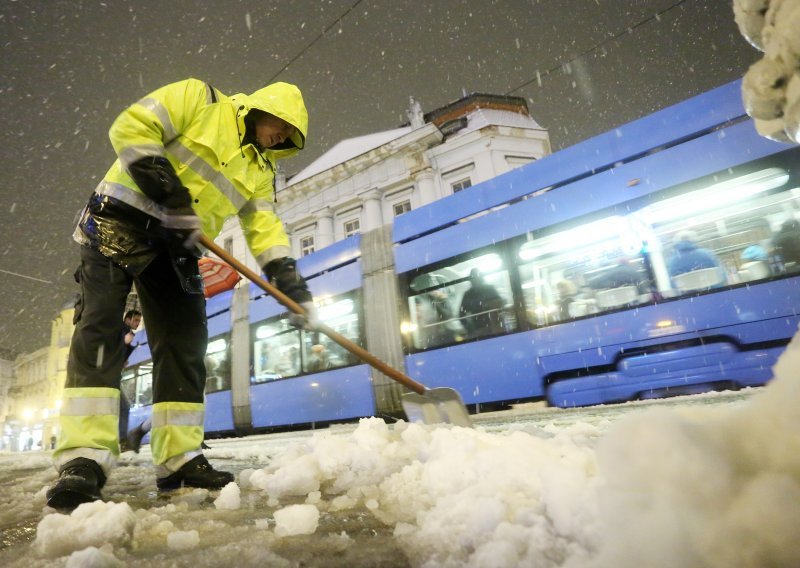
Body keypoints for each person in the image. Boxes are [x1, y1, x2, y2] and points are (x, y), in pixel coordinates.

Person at [47, 78, 314, 511]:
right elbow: (131, 128)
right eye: (282, 126)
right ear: (262, 109)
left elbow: (263, 226)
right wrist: (171, 194)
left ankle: (179, 459)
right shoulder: (200, 98)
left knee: (186, 344)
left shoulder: (261, 171)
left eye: (289, 136)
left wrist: (287, 276)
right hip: (121, 219)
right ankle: (84, 459)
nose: (282, 137)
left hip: (177, 244)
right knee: (101, 329)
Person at [117, 309, 142, 450]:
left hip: (113, 374)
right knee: (124, 406)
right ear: (128, 319)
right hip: (111, 375)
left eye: (139, 321)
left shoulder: (126, 332)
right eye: (136, 320)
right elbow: (114, 349)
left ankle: (122, 439)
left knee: (122, 407)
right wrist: (124, 344)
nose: (138, 324)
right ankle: (122, 440)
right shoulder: (123, 331)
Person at [458, 268, 504, 339]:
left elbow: (500, 303)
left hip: (487, 328)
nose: (476, 280)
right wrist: (470, 330)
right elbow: (461, 315)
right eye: (474, 278)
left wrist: (470, 329)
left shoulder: (468, 294)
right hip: (487, 328)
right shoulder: (489, 289)